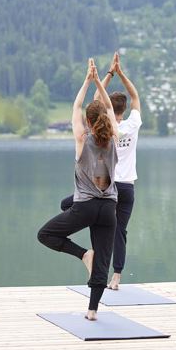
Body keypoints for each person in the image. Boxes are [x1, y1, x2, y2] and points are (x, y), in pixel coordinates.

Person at [37, 58, 119, 321]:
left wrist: (88, 79)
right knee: (103, 260)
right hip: (108, 208)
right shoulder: (114, 137)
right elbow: (107, 105)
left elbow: (76, 106)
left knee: (45, 234)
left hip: (84, 207)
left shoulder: (83, 139)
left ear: (88, 121)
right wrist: (99, 82)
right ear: (107, 119)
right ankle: (92, 311)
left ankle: (83, 254)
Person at [61, 52, 142, 290]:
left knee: (69, 205)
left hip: (107, 187)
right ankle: (116, 278)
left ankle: (90, 227)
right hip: (127, 188)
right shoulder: (132, 125)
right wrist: (121, 73)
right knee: (120, 232)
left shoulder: (106, 129)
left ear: (107, 112)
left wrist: (105, 75)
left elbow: (97, 99)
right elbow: (135, 96)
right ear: (124, 109)